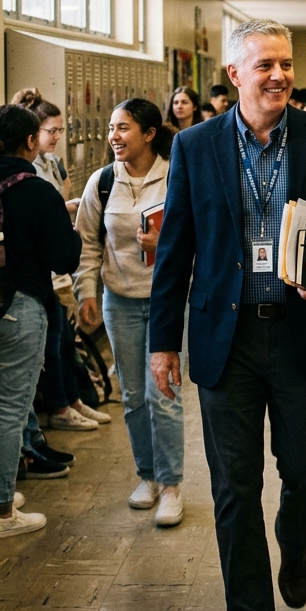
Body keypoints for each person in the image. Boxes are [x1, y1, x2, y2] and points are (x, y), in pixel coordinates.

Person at [148, 19, 306, 611]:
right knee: (233, 488)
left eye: (285, 65)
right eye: (264, 66)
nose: (278, 76)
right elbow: (176, 247)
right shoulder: (195, 147)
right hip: (228, 336)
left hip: (302, 328)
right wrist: (162, 342)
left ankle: (294, 540)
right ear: (234, 75)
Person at [0, 104, 82, 538]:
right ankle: (1, 514)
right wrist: (72, 227)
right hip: (16, 308)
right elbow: (65, 257)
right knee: (9, 409)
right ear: (29, 141)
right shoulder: (36, 190)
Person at [74, 98, 186, 526]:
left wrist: (165, 247)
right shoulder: (102, 182)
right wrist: (87, 292)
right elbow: (87, 242)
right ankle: (148, 476)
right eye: (110, 129)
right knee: (134, 397)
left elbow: (202, 239)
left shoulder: (177, 177)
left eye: (123, 128)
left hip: (168, 301)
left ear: (149, 134)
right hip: (119, 299)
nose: (113, 137)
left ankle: (172, 484)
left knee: (166, 397)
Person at [10, 88, 110, 433]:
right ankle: (60, 406)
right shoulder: (29, 170)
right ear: (31, 134)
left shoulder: (52, 163)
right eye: (49, 130)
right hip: (41, 268)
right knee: (54, 342)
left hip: (55, 262)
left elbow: (58, 198)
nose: (55, 137)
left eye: (59, 131)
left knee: (65, 340)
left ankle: (74, 399)